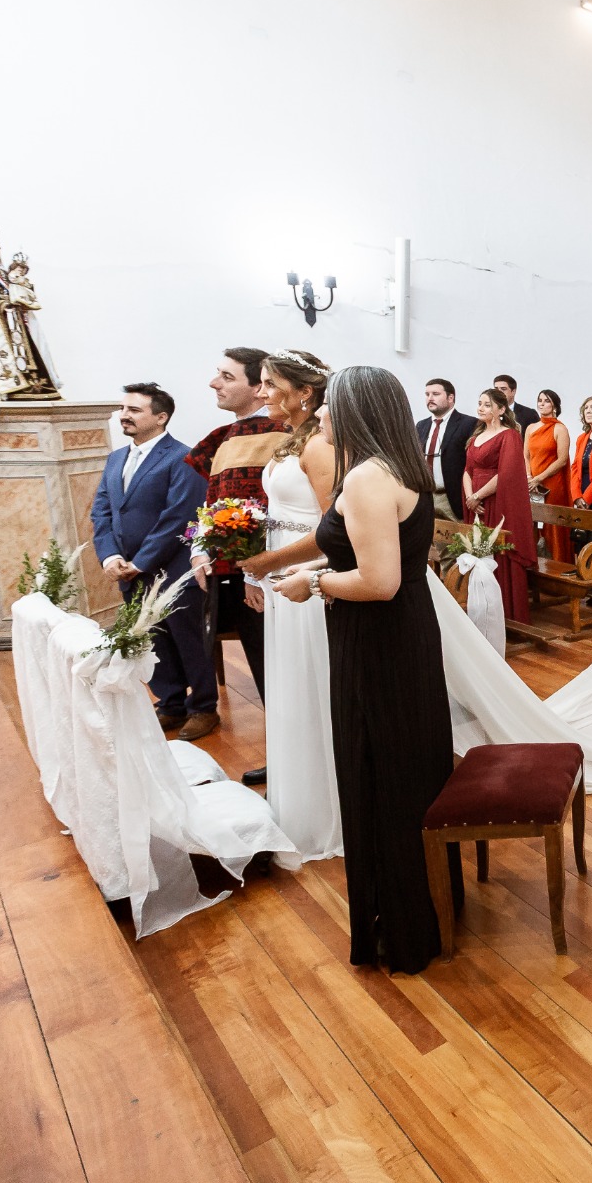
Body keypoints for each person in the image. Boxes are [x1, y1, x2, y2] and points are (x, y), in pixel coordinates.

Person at [274, 365, 458, 975]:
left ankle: (404, 925)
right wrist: (312, 568)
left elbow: (379, 582)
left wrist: (312, 584)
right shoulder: (397, 468)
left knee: (381, 770)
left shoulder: (366, 479)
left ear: (355, 410)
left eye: (330, 403)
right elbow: (384, 559)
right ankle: (427, 905)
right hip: (403, 632)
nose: (321, 413)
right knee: (407, 766)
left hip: (378, 639)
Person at [236, 350, 342, 865]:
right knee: (291, 684)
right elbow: (279, 514)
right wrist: (253, 568)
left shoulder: (321, 446)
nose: (261, 392)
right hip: (282, 575)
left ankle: (328, 804)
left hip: (311, 577)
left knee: (313, 683)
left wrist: (270, 561)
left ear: (304, 392)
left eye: (269, 383)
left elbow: (333, 530)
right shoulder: (290, 439)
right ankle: (297, 794)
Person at [92, 383, 217, 735]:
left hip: (173, 569)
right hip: (128, 568)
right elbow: (102, 511)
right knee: (152, 639)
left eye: (134, 410)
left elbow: (180, 517)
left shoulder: (183, 457)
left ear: (161, 417)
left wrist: (141, 562)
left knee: (188, 640)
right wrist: (110, 556)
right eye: (123, 409)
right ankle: (171, 703)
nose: (124, 415)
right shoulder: (116, 458)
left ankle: (204, 707)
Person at [185, 348, 285, 774]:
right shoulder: (223, 437)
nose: (215, 383)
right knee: (262, 669)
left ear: (259, 386)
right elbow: (214, 502)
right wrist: (199, 546)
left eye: (227, 376)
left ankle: (293, 759)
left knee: (281, 670)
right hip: (230, 574)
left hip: (272, 573)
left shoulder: (285, 433)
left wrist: (258, 570)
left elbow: (281, 510)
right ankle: (283, 759)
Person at [462, 388, 537, 624]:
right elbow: (467, 471)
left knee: (499, 552)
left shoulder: (509, 436)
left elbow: (506, 474)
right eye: (479, 403)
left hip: (497, 501)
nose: (481, 408)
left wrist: (478, 496)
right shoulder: (475, 437)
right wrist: (470, 498)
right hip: (475, 503)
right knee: (479, 552)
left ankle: (505, 613)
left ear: (501, 409)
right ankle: (481, 609)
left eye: (487, 405)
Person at [415, 378, 478, 520]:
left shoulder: (468, 423)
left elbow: (473, 463)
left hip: (452, 498)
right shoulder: (421, 425)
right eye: (427, 394)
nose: (430, 398)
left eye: (435, 394)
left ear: (450, 398)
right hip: (425, 496)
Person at [525, 388, 572, 561]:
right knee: (531, 523)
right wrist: (529, 477)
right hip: (531, 484)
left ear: (555, 406)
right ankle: (534, 563)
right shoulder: (530, 428)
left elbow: (562, 460)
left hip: (552, 484)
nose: (542, 404)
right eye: (540, 400)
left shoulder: (560, 429)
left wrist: (539, 478)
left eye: (546, 401)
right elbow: (526, 456)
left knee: (552, 525)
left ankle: (558, 562)